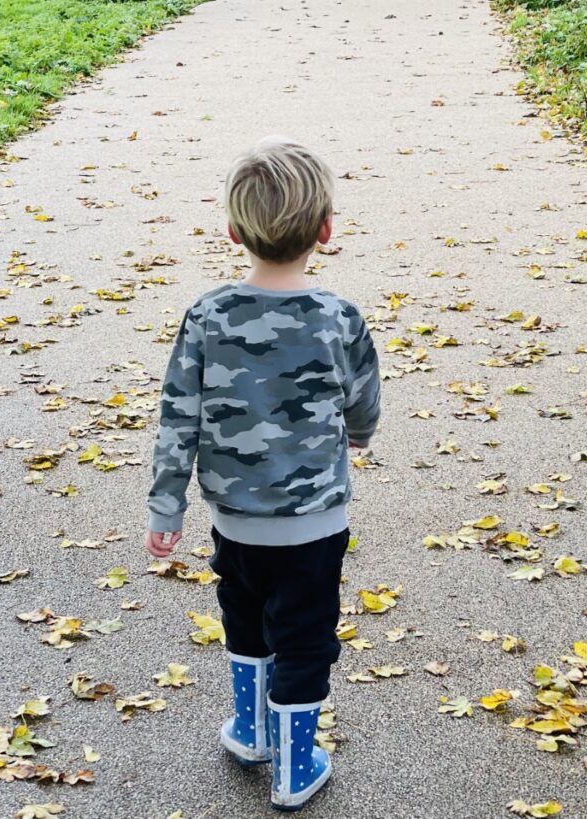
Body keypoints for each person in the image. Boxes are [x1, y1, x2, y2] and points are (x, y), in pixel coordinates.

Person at [145, 136, 381, 811]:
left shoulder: (208, 314)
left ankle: (251, 733)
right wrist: (360, 436)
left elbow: (176, 418)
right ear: (326, 231)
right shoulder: (339, 318)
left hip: (235, 523)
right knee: (304, 640)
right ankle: (294, 763)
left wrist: (167, 510)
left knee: (245, 620)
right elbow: (362, 398)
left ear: (232, 230)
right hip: (314, 526)